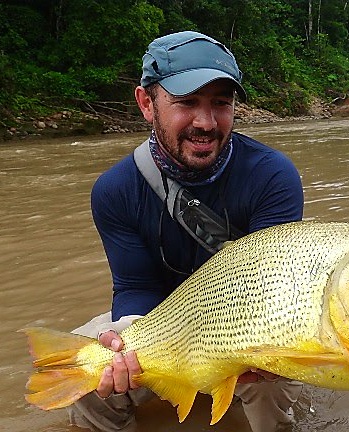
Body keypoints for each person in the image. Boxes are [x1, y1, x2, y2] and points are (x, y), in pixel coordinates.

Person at [66, 31, 304, 432]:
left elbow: (273, 292)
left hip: (246, 321)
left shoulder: (272, 176)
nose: (206, 123)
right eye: (186, 102)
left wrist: (255, 354)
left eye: (221, 104)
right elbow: (134, 285)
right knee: (83, 367)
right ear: (146, 103)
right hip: (160, 319)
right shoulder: (115, 190)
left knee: (270, 383)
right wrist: (126, 348)